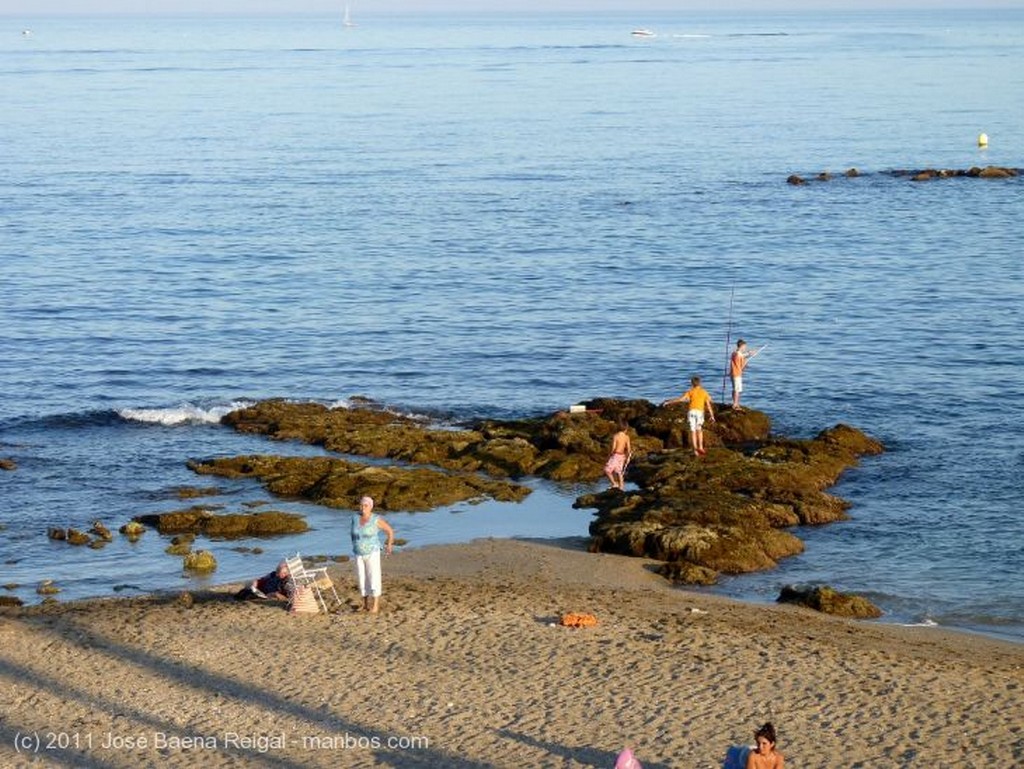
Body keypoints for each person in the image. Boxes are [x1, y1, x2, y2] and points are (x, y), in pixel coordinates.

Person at [350, 495, 395, 614]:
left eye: (365, 505)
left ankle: (375, 606)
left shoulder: (376, 519)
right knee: (362, 578)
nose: (363, 507)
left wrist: (389, 545)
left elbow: (389, 531)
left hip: (372, 552)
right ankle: (364, 604)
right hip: (358, 553)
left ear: (370, 507)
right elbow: (353, 534)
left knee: (373, 577)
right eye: (361, 505)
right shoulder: (355, 517)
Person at [662, 375, 715, 457]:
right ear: (700, 383)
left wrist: (668, 402)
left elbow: (680, 399)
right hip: (699, 413)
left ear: (692, 384)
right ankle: (700, 447)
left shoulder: (690, 391)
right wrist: (712, 416)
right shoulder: (704, 392)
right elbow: (708, 405)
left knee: (693, 431)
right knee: (699, 430)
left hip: (691, 412)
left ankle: (695, 451)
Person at [603, 418, 633, 491]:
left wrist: (609, 455)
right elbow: (628, 449)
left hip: (616, 455)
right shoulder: (626, 437)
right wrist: (628, 457)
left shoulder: (615, 436)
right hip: (622, 456)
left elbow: (613, 448)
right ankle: (621, 488)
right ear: (626, 428)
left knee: (607, 470)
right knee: (619, 472)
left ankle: (614, 483)